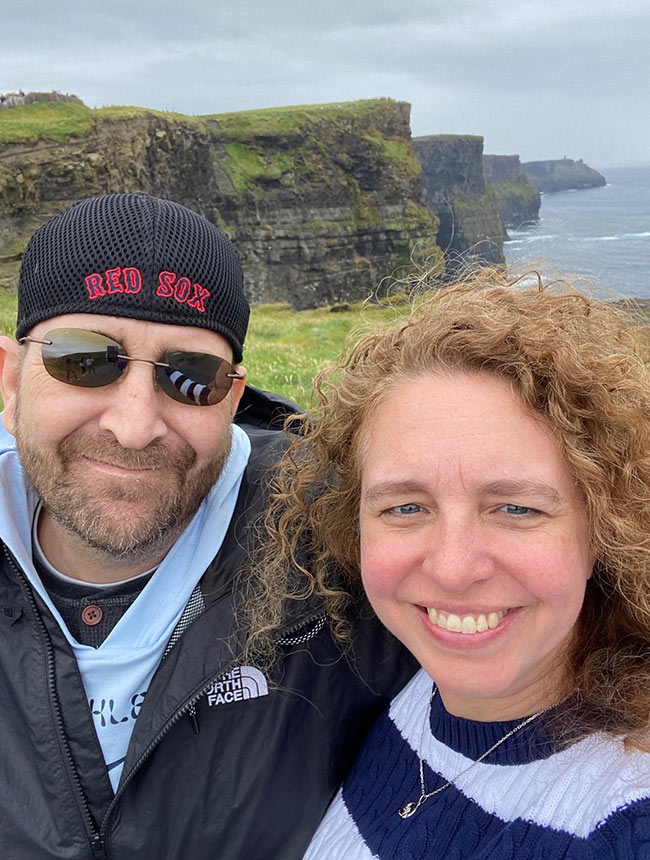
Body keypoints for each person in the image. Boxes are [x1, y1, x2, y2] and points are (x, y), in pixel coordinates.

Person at [0, 192, 416, 860]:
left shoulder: (343, 535)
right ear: (11, 379)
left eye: (189, 378)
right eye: (84, 360)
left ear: (231, 395)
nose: (133, 426)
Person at [249, 274, 650, 859]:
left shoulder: (624, 819)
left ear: (603, 532)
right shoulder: (402, 688)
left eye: (517, 507)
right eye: (405, 507)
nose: (454, 570)